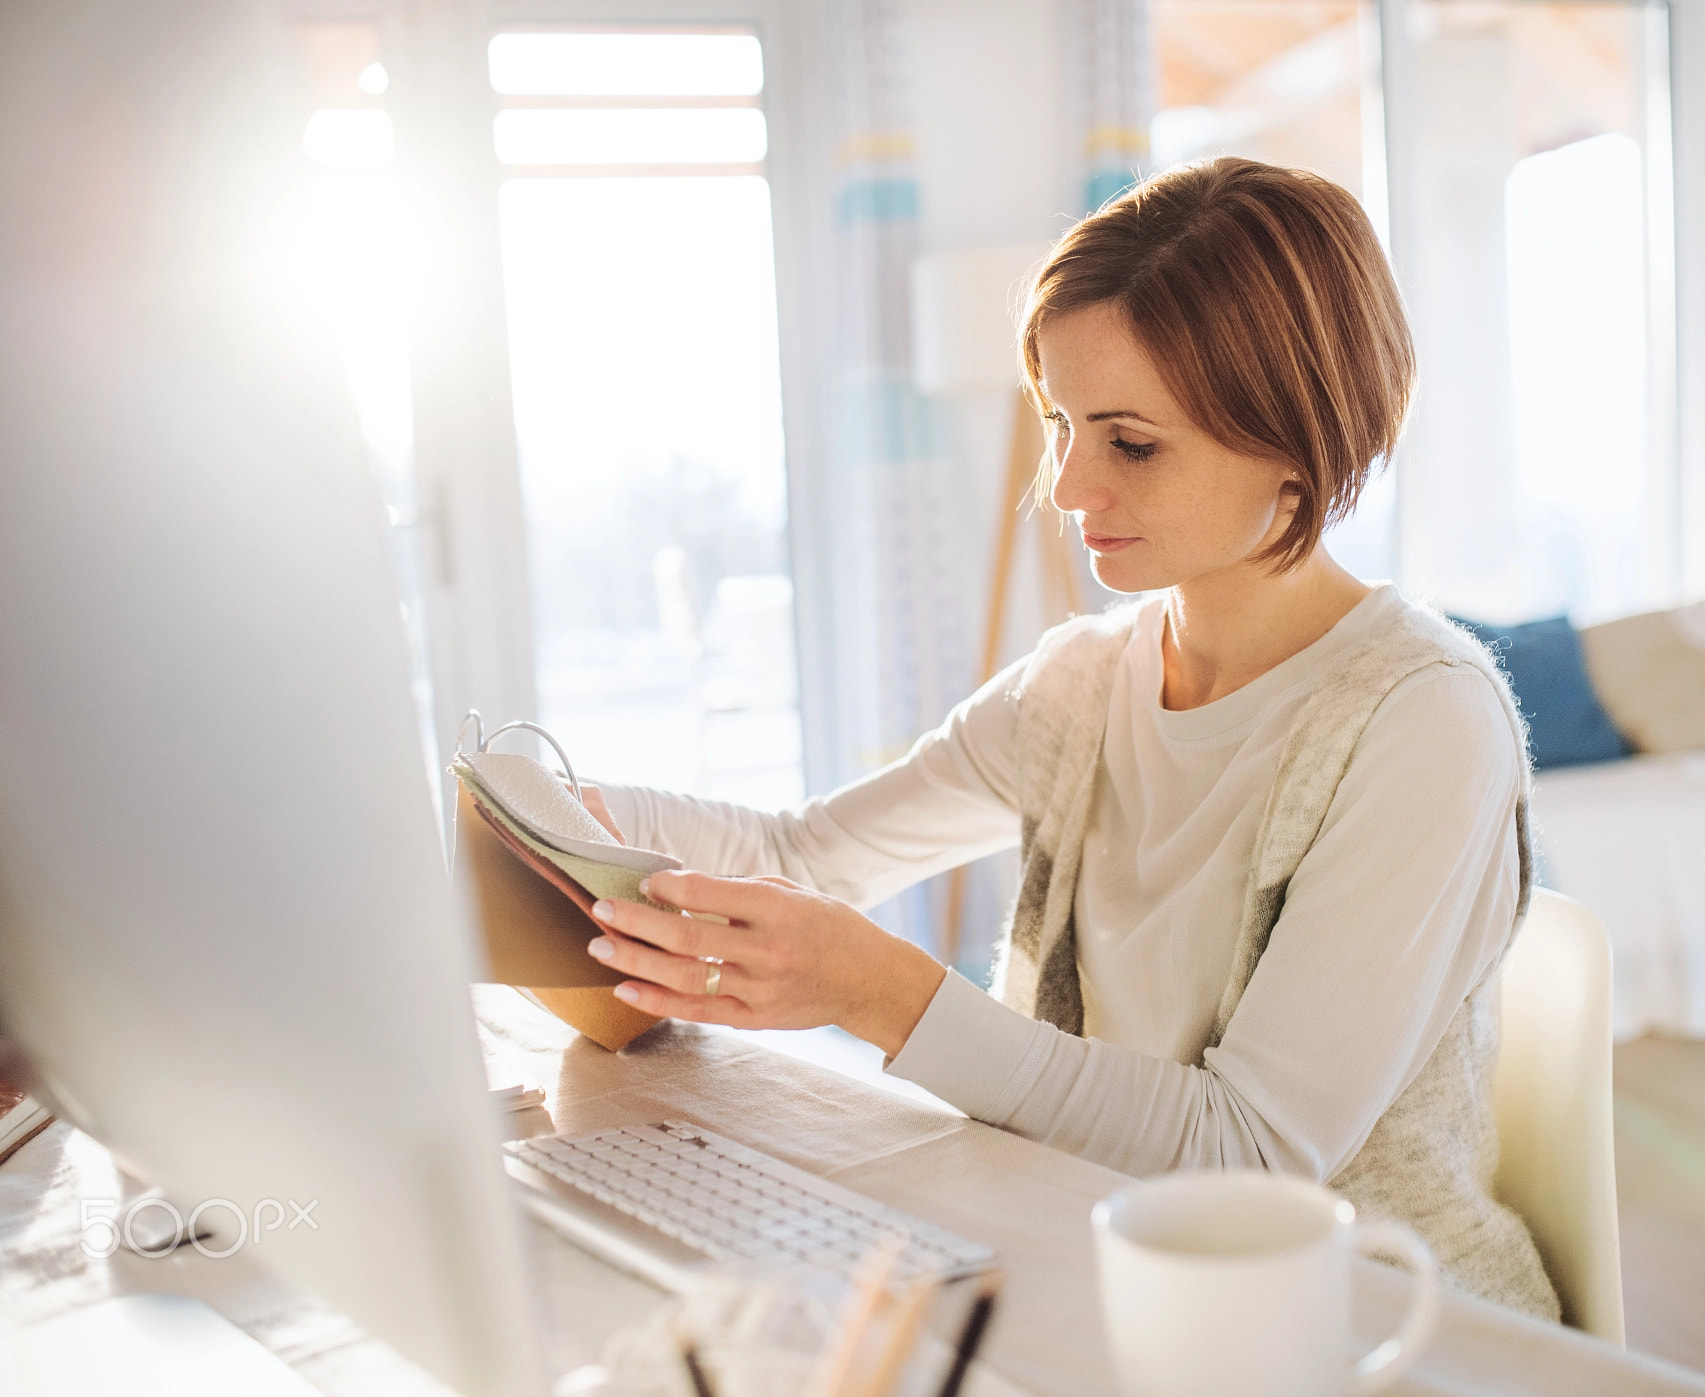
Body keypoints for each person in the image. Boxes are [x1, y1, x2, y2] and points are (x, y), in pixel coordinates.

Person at [580, 157, 1559, 1319]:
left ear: (1297, 440)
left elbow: (1246, 1157)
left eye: (1128, 442)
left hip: (1364, 1325)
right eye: (1058, 422)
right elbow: (806, 857)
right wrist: (564, 816)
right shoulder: (1084, 683)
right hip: (1098, 1268)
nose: (1063, 482)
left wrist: (885, 993)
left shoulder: (1419, 719)